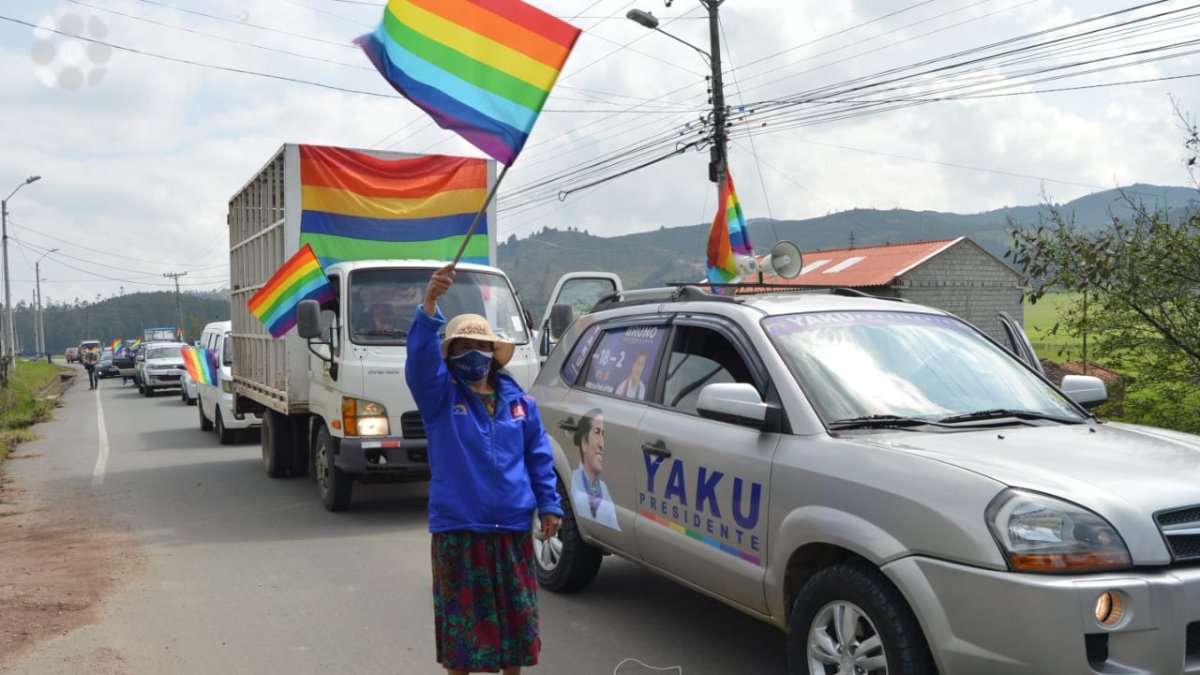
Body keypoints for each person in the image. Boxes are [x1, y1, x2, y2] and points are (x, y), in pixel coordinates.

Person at [406, 263, 562, 675]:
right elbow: (420, 361)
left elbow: (538, 458)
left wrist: (550, 505)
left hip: (511, 531)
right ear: (451, 354)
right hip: (459, 532)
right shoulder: (439, 399)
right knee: (463, 642)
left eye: (481, 346)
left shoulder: (520, 405)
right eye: (461, 347)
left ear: (494, 354)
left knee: (513, 635)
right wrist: (430, 302)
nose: (472, 354)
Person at [570, 409, 619, 530]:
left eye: (603, 434)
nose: (602, 444)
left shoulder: (603, 490)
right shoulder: (571, 481)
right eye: (597, 432)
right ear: (583, 443)